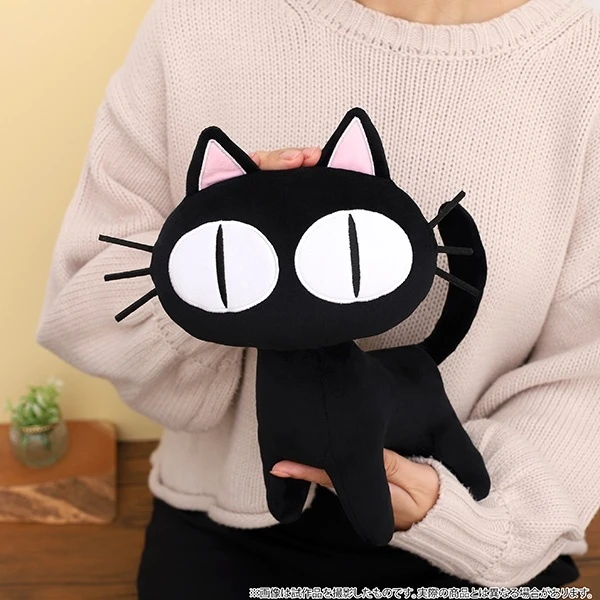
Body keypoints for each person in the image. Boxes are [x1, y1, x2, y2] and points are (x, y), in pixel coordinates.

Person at [36, 0, 600, 596]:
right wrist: (210, 266)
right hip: (226, 525)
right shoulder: (198, 19)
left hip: (488, 523)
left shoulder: (583, 55)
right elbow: (91, 301)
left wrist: (470, 519)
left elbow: (586, 375)